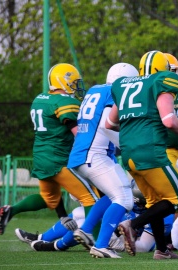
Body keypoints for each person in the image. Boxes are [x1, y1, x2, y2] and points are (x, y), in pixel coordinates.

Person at [106, 50, 178, 260]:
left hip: (129, 154)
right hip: (152, 152)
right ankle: (132, 224)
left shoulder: (125, 85)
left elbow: (110, 123)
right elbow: (168, 120)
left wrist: (136, 123)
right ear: (162, 69)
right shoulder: (161, 82)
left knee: (155, 201)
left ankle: (161, 250)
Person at [0, 63, 99, 236]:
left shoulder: (39, 99)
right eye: (73, 83)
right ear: (62, 81)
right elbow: (77, 134)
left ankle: (10, 210)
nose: (76, 87)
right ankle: (95, 240)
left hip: (41, 158)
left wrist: (63, 215)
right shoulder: (65, 102)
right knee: (90, 199)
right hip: (59, 159)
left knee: (48, 199)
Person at [66, 63, 139, 258]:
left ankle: (86, 228)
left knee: (112, 194)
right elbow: (108, 125)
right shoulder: (114, 92)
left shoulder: (95, 90)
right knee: (124, 198)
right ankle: (101, 244)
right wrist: (128, 146)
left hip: (83, 153)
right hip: (95, 155)